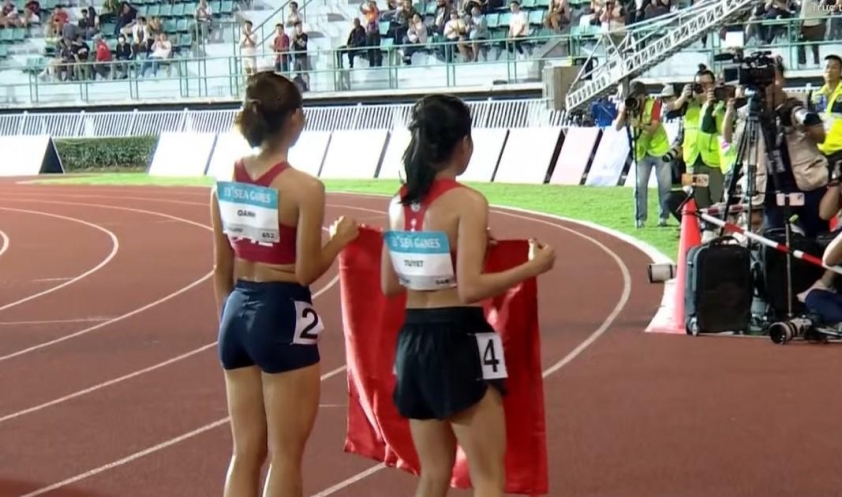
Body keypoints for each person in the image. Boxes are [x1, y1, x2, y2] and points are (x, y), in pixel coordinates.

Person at [379, 94, 556, 497]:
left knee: (432, 474)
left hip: (413, 343)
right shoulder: (468, 202)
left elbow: (390, 285)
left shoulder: (398, 204)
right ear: (464, 144)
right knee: (488, 477)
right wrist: (533, 268)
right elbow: (470, 288)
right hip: (458, 340)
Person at [210, 71, 359, 497]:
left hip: (235, 311)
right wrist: (340, 240)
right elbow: (306, 270)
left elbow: (220, 267)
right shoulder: (304, 189)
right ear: (294, 118)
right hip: (281, 312)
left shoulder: (224, 182)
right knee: (285, 455)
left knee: (245, 452)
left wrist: (230, 320)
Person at [613, 80, 673, 229]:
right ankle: (640, 219)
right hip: (641, 152)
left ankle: (663, 217)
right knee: (639, 186)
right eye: (633, 97)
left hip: (659, 149)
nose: (636, 100)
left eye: (638, 97)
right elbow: (617, 127)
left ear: (643, 95)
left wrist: (638, 124)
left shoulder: (654, 104)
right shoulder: (628, 107)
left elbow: (653, 128)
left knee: (664, 186)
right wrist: (623, 112)